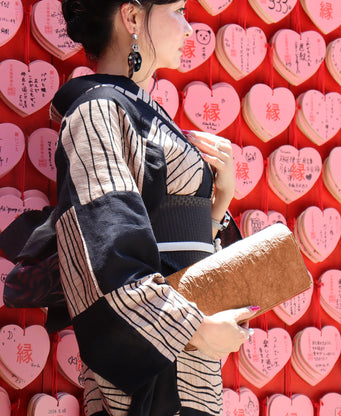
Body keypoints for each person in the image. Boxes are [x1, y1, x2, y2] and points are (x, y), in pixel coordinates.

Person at [50, 1, 258, 415]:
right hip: (154, 371)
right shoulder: (96, 112)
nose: (189, 28)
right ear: (131, 17)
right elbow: (103, 254)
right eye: (179, 10)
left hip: (192, 360)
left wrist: (219, 204)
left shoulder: (144, 114)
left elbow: (171, 240)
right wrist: (194, 329)